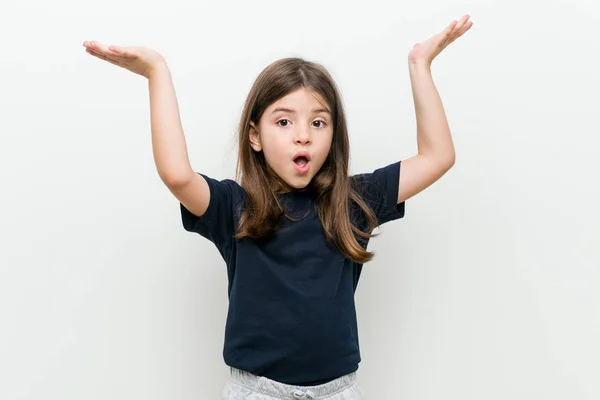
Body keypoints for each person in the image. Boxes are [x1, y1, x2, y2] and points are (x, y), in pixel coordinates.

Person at [83, 14, 472, 400]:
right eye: (284, 122)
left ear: (333, 133)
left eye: (318, 123)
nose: (302, 135)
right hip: (256, 391)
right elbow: (177, 175)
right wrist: (157, 73)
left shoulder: (353, 201)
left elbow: (437, 156)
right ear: (255, 135)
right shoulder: (234, 207)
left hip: (337, 390)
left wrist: (420, 65)